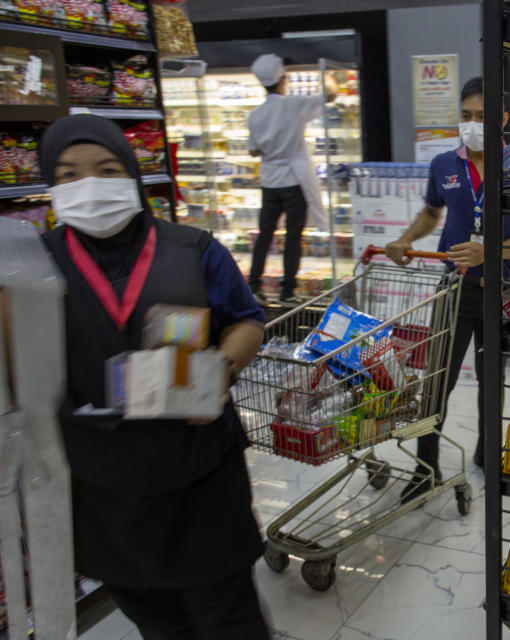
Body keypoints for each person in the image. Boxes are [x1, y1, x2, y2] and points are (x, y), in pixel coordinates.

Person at [39, 114, 270, 639]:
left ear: (134, 175)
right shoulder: (36, 266)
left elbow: (246, 322)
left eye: (105, 168)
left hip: (199, 474)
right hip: (102, 483)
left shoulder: (193, 249)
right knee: (158, 623)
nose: (88, 186)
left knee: (230, 617)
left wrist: (218, 371)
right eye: (69, 174)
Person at [386, 76, 510, 502]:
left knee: (492, 381)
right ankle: (425, 468)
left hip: (502, 291)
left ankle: (489, 456)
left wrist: (488, 251)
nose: (472, 124)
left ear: (503, 118)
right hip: (454, 290)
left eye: (483, 116)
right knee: (437, 381)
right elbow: (431, 213)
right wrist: (405, 240)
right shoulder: (444, 165)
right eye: (466, 116)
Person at [246, 53, 333, 307]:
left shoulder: (256, 115)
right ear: (282, 79)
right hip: (294, 180)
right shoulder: (293, 105)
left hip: (270, 181)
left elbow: (253, 151)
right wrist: (326, 72)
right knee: (293, 236)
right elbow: (330, 95)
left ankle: (254, 286)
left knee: (265, 234)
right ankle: (287, 291)